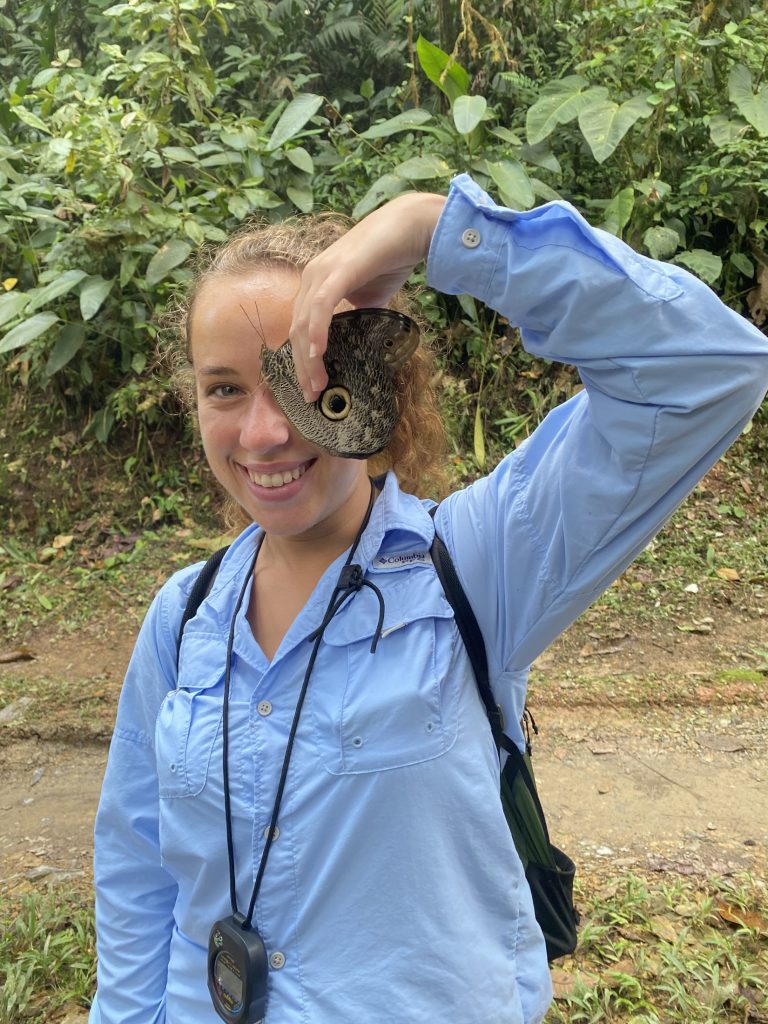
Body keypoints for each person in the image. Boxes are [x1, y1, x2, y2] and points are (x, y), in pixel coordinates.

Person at [89, 174, 768, 1024]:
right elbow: (135, 864)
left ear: (375, 384)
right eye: (224, 388)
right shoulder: (182, 619)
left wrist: (432, 229)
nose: (262, 433)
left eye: (303, 380)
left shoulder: (478, 567)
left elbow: (708, 371)